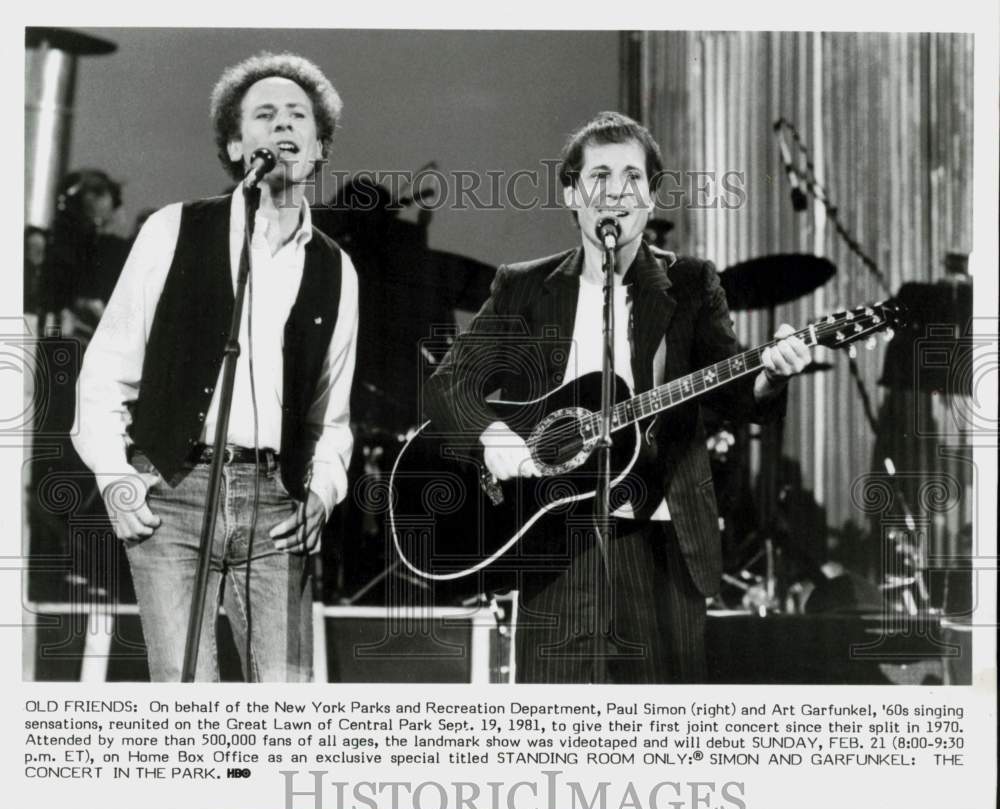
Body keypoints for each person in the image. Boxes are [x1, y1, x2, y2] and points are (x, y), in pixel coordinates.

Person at [423, 112, 811, 683]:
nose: (615, 192)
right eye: (598, 176)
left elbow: (737, 397)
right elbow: (449, 383)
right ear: (571, 194)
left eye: (632, 177)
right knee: (553, 738)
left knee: (665, 742)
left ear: (651, 198)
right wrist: (495, 435)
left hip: (661, 544)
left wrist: (771, 374)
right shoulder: (525, 286)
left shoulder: (691, 284)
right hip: (553, 545)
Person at [72, 52, 359, 682]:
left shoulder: (338, 269)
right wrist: (116, 478)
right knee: (189, 704)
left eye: (298, 116)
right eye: (264, 115)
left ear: (318, 148)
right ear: (235, 145)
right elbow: (106, 370)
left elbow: (330, 414)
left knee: (286, 707)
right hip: (172, 494)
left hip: (275, 503)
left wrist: (323, 491)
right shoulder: (173, 230)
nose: (283, 125)